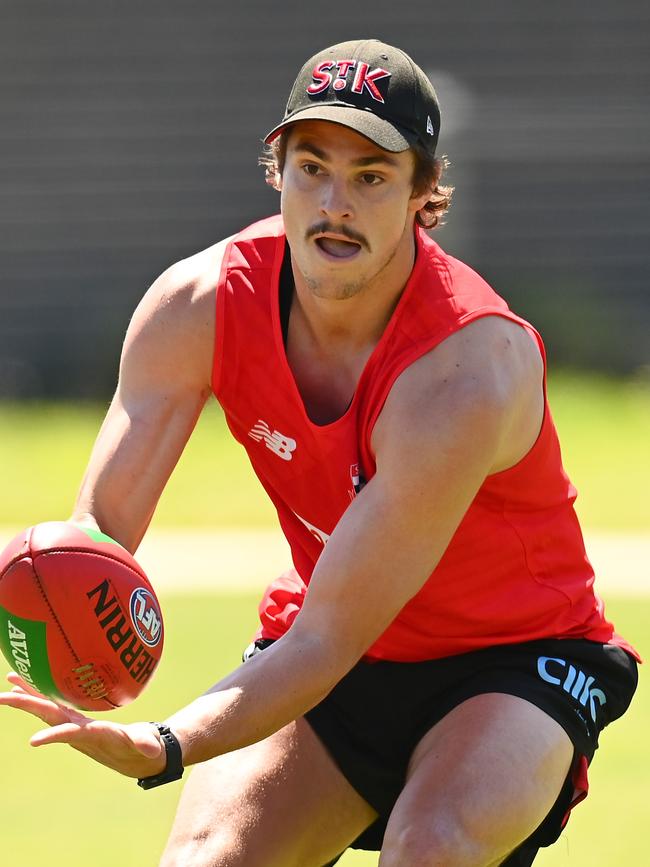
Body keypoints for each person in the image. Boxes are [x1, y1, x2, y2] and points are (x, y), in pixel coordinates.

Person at [0, 38, 639, 867]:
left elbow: (324, 639)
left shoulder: (465, 369)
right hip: (337, 646)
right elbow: (96, 540)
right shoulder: (197, 306)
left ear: (422, 192)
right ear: (278, 170)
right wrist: (49, 604)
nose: (335, 202)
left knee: (430, 845)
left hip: (514, 659)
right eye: (312, 166)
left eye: (371, 176)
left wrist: (167, 741)